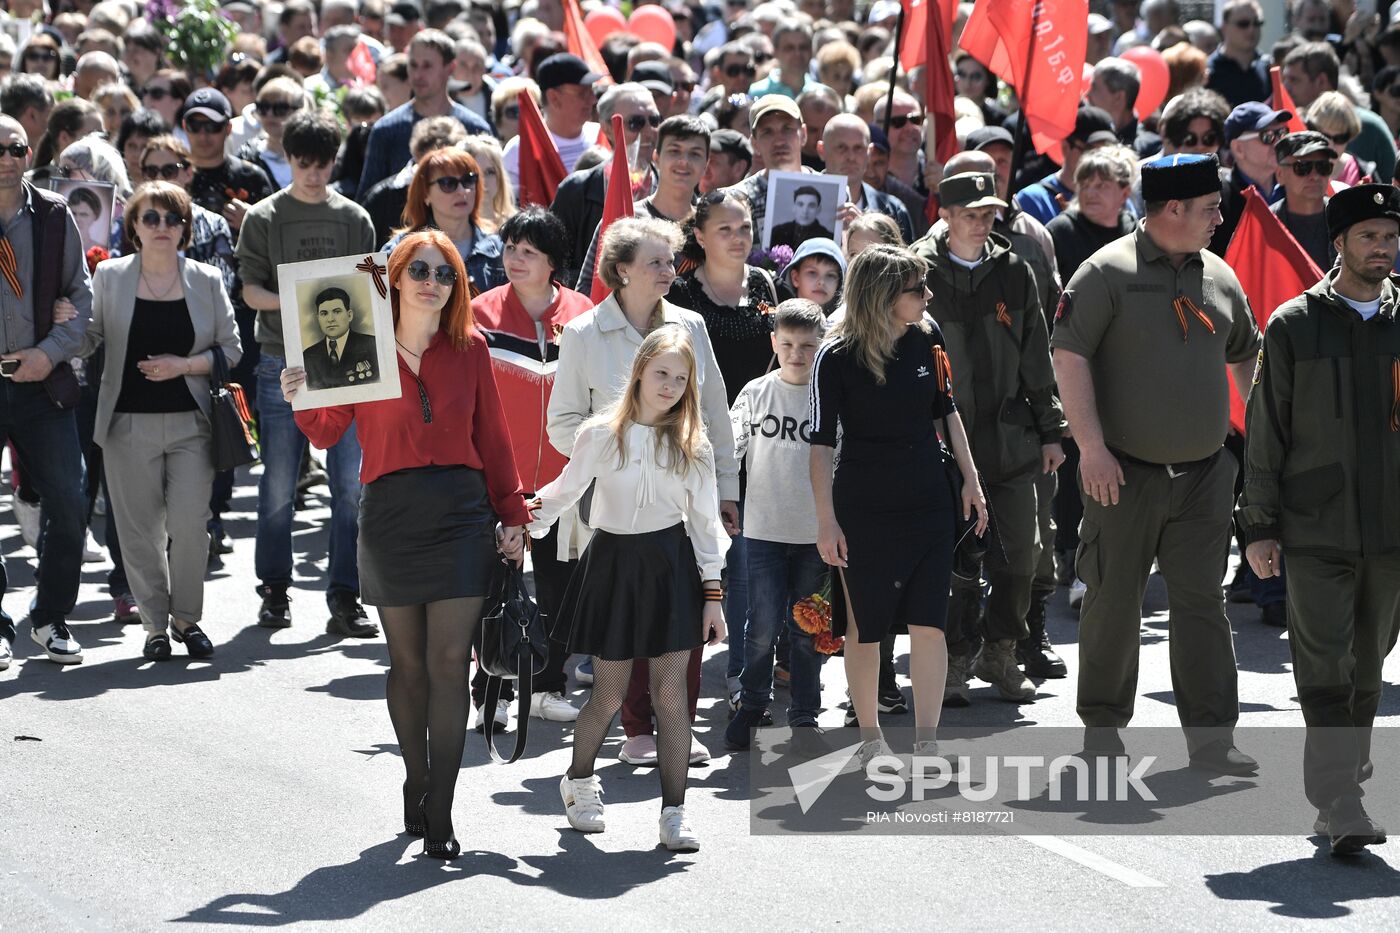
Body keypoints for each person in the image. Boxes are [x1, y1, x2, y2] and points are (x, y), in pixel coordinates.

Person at [288, 228, 528, 860]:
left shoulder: (470, 347)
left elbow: (495, 438)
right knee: (409, 666)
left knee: (452, 665)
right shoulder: (358, 347)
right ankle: (415, 778)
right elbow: (323, 430)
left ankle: (442, 808)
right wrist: (300, 393)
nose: (431, 281)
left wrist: (512, 516)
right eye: (418, 269)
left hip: (461, 514)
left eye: (444, 273)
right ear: (392, 276)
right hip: (390, 513)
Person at [1051, 153, 1261, 773]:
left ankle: (1212, 740)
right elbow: (1068, 356)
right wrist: (1090, 448)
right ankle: (1103, 735)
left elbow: (1247, 355)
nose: (1218, 218)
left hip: (1204, 473)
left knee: (1202, 604)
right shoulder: (1104, 273)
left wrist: (1267, 437)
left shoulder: (1220, 275)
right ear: (1172, 209)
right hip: (1124, 473)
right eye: (1210, 208)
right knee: (1114, 602)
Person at [1239, 183, 1400, 856]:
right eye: (1369, 237)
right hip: (1316, 527)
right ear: (1338, 243)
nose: (1383, 249)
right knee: (1325, 662)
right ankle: (1339, 797)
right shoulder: (1294, 325)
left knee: (1369, 664)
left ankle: (1344, 782)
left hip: (1390, 531)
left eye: (1391, 237)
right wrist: (1259, 526)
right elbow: (1266, 432)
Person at [548, 217, 739, 767]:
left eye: (669, 260)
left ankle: (674, 718)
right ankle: (636, 727)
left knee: (686, 607)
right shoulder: (583, 332)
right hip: (613, 501)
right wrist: (614, 441)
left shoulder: (692, 326)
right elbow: (561, 422)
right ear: (621, 269)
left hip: (685, 490)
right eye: (655, 261)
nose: (667, 270)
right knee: (627, 619)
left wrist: (725, 484)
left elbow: (715, 413)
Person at [530, 325, 727, 853]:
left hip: (671, 568)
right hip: (613, 565)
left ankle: (675, 812)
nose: (669, 386)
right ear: (639, 370)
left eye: (680, 379)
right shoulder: (599, 433)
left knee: (671, 696)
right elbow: (566, 490)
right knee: (610, 692)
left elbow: (706, 525)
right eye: (661, 373)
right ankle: (578, 782)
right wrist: (525, 520)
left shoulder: (694, 444)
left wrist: (713, 595)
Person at [809, 244, 987, 765]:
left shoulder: (929, 336)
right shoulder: (833, 356)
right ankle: (869, 739)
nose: (929, 297)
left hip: (929, 498)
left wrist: (971, 481)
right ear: (885, 296)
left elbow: (948, 412)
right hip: (862, 504)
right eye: (918, 289)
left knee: (930, 622)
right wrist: (826, 521)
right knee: (865, 627)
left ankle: (927, 741)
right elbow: (819, 444)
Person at [913, 172, 1067, 704]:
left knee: (1022, 554)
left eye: (988, 213)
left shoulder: (1015, 271)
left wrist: (1052, 431)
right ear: (946, 214)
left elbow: (1035, 354)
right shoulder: (917, 270)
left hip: (1010, 439)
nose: (982, 223)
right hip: (943, 443)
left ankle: (999, 652)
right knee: (954, 559)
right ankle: (954, 658)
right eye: (971, 213)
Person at [81, 181, 239, 661]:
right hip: (126, 424)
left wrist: (183, 365)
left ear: (185, 228)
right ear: (133, 226)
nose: (163, 227)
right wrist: (61, 317)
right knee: (138, 532)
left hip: (193, 423)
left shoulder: (207, 279)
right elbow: (87, 338)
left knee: (192, 525)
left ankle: (187, 619)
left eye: (173, 219)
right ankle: (153, 626)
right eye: (151, 218)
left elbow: (231, 350)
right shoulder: (108, 276)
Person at [237, 110, 377, 636]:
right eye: (302, 164)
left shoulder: (355, 218)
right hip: (280, 359)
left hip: (345, 363)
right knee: (276, 484)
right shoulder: (264, 217)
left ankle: (345, 593)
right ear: (288, 158)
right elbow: (249, 290)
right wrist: (300, 307)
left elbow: (370, 296)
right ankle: (274, 589)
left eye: (321, 165)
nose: (313, 175)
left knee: (349, 485)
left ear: (333, 162)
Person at [471, 207, 594, 727]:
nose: (515, 259)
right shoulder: (478, 312)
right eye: (511, 248)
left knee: (558, 586)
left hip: (563, 481)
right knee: (496, 588)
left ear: (553, 263)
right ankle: (491, 692)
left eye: (529, 252)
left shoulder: (583, 312)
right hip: (498, 477)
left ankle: (546, 684)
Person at [0, 115, 93, 671]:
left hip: (39, 382)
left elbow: (80, 298)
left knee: (69, 498)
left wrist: (49, 352)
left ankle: (51, 616)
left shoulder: (55, 215)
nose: (7, 157)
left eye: (16, 147)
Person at [723, 298, 828, 751]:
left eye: (807, 345)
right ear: (774, 342)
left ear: (822, 346)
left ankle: (805, 714)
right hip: (763, 530)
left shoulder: (829, 396)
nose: (797, 354)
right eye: (787, 344)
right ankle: (752, 705)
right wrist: (724, 495)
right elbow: (730, 446)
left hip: (813, 534)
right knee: (760, 625)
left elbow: (842, 460)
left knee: (809, 629)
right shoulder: (756, 392)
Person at [356, 29, 491, 200]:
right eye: (413, 65)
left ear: (450, 68)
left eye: (427, 66)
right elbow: (369, 199)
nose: (418, 75)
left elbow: (490, 196)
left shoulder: (475, 128)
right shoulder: (386, 130)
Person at [551, 82, 661, 287]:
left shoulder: (671, 187)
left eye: (654, 120)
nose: (649, 131)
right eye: (636, 123)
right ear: (608, 128)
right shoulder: (576, 190)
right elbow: (553, 266)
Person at [381, 147, 505, 295]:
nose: (462, 191)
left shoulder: (500, 250)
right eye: (447, 183)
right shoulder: (397, 251)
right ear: (425, 194)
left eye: (468, 180)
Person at [1282, 41, 1396, 183]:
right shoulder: (1287, 125)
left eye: (1294, 80)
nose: (1285, 87)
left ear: (1321, 81)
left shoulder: (1370, 127)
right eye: (1320, 134)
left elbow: (1390, 191)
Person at [501, 52, 600, 195]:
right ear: (554, 98)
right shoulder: (519, 151)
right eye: (582, 93)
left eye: (592, 90)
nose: (593, 100)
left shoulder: (602, 137)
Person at [1015, 106, 1119, 227]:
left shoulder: (1118, 197)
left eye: (1107, 152)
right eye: (1090, 151)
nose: (1099, 160)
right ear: (1065, 147)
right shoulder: (1033, 200)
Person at [817, 114, 914, 244]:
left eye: (858, 148)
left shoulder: (892, 210)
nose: (851, 157)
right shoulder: (801, 202)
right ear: (822, 150)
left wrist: (866, 234)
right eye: (841, 148)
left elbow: (905, 263)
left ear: (869, 152)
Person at [1211, 101, 1291, 255]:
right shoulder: (1219, 199)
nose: (1279, 143)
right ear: (1239, 149)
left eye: (1282, 133)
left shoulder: (1294, 185)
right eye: (1268, 136)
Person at [1272, 130, 1337, 273]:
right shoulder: (1265, 225)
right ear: (1280, 175)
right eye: (1302, 167)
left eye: (1323, 167)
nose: (1314, 176)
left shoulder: (1347, 221)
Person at [301, 287, 380, 390]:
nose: (330, 319)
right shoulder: (308, 356)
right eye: (324, 313)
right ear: (318, 318)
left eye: (337, 312)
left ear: (349, 315)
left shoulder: (373, 345)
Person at [1206, 0, 1270, 109]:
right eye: (1243, 24)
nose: (1251, 29)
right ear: (1224, 27)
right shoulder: (1208, 70)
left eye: (1257, 23)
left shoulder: (1267, 66)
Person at [769, 184, 827, 249]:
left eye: (811, 205)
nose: (805, 211)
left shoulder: (827, 238)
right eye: (800, 204)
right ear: (794, 207)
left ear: (818, 209)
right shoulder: (777, 232)